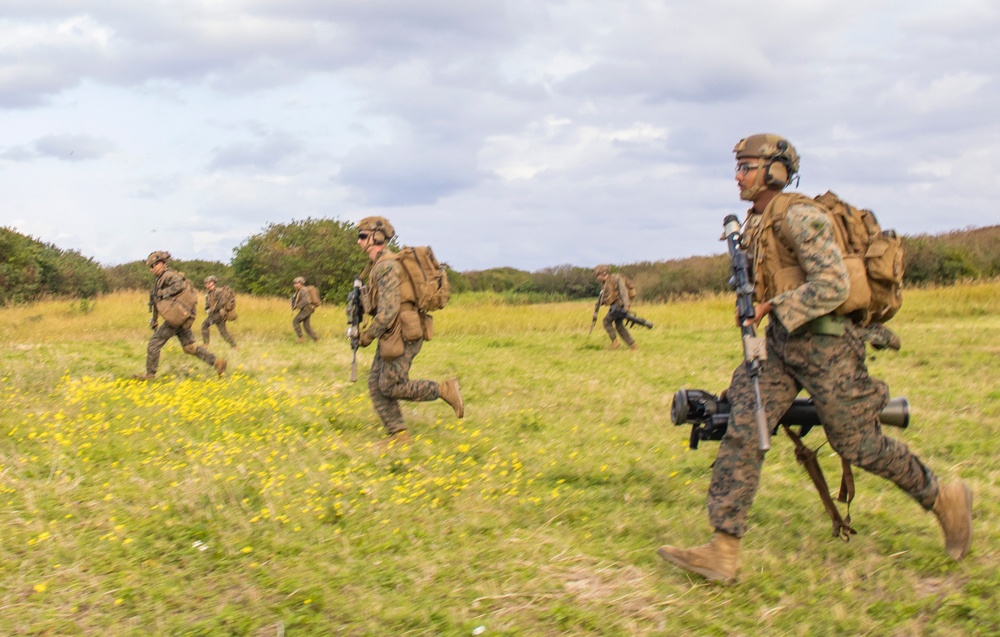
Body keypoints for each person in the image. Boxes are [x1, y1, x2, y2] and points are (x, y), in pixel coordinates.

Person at [657, 134, 972, 583]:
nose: (738, 175)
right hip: (782, 345)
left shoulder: (801, 216)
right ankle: (723, 550)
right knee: (746, 425)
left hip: (828, 345)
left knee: (858, 443)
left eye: (747, 166)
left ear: (775, 171)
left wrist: (774, 307)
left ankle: (945, 499)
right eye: (739, 167)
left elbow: (834, 285)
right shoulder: (755, 223)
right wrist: (758, 311)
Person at [354, 216, 463, 444]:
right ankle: (399, 435)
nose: (359, 241)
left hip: (402, 332)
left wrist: (367, 335)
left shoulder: (386, 267)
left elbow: (389, 310)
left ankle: (444, 390)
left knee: (391, 385)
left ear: (377, 237)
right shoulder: (377, 266)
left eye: (363, 236)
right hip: (393, 332)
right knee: (376, 384)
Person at [135, 251, 227, 380]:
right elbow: (156, 302)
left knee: (154, 343)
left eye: (152, 266)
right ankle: (217, 363)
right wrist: (155, 319)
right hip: (180, 318)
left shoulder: (168, 276)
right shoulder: (160, 279)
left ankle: (150, 375)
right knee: (189, 347)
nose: (151, 269)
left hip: (175, 319)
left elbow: (179, 285)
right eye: (150, 267)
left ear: (160, 263)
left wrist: (163, 292)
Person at [594, 265, 637, 350]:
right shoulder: (605, 283)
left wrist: (626, 306)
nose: (597, 277)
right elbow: (605, 298)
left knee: (606, 321)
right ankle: (633, 345)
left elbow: (623, 292)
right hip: (616, 306)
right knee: (619, 325)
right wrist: (597, 309)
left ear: (603, 273)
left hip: (619, 306)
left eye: (598, 275)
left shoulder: (616, 279)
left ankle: (615, 342)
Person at [201, 275, 238, 349]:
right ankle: (234, 346)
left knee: (204, 325)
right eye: (206, 283)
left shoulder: (218, 292)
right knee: (223, 332)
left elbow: (222, 302)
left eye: (208, 283)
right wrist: (207, 309)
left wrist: (213, 309)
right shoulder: (208, 293)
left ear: (212, 283)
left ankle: (206, 344)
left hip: (219, 314)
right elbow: (208, 304)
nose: (206, 285)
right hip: (217, 314)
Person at [291, 276, 320, 343]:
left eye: (296, 283)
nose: (294, 285)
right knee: (306, 325)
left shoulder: (303, 290)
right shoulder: (301, 290)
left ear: (301, 283)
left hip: (306, 309)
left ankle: (301, 337)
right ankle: (316, 339)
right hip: (309, 308)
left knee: (295, 321)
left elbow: (305, 301)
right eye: (294, 283)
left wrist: (297, 306)